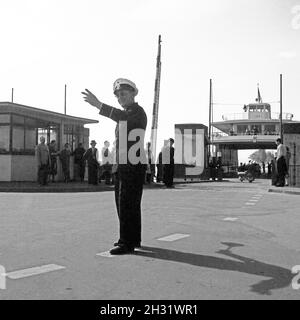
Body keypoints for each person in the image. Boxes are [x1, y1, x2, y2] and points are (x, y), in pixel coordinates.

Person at [82, 78, 147, 255]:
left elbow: (122, 116)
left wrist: (99, 105)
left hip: (133, 164)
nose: (120, 98)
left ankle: (126, 242)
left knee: (127, 203)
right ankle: (133, 238)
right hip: (123, 164)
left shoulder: (137, 112)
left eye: (123, 94)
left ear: (133, 93)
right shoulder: (126, 114)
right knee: (124, 203)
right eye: (118, 96)